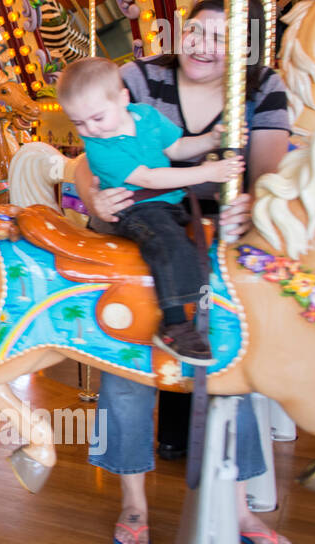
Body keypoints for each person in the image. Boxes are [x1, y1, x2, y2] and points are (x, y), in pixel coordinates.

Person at [75, 0, 295, 544]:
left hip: (218, 232)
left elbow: (268, 168)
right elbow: (87, 154)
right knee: (128, 356)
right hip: (140, 224)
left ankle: (241, 502)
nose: (203, 46)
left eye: (222, 38)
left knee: (235, 356)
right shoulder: (139, 78)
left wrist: (251, 201)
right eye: (197, 32)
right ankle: (133, 500)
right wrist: (94, 200)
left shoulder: (261, 86)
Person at [57, 57, 244, 363]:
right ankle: (174, 326)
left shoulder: (145, 116)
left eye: (97, 118)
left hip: (170, 204)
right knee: (168, 244)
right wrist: (208, 173)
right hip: (137, 209)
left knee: (205, 243)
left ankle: (204, 312)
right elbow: (147, 177)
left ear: (123, 99)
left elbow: (177, 148)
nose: (89, 129)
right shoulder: (99, 148)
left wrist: (212, 140)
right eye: (79, 123)